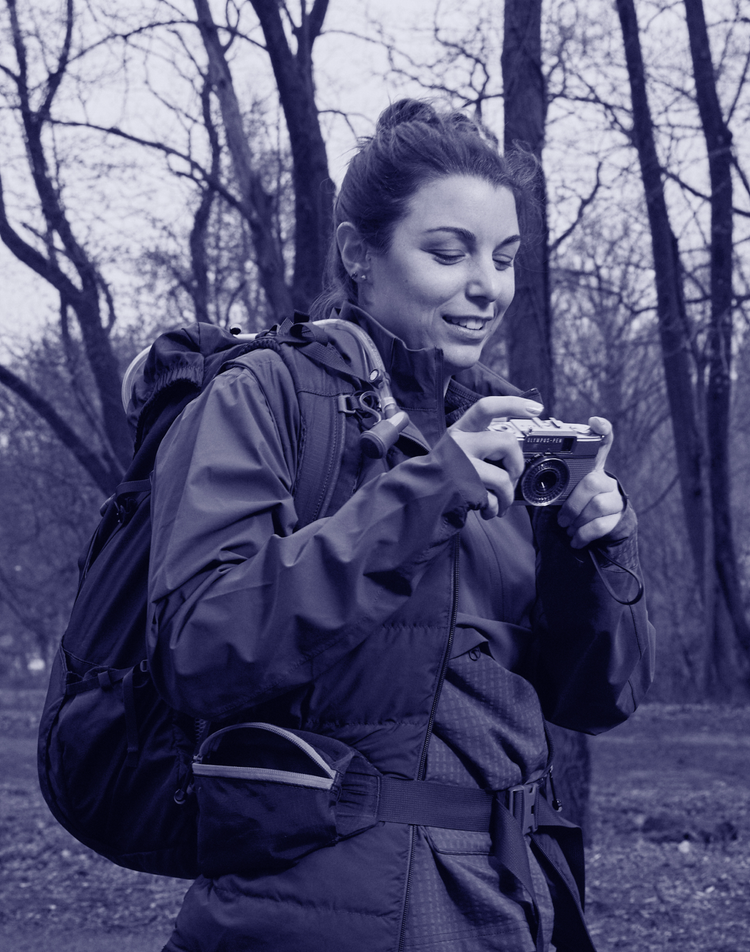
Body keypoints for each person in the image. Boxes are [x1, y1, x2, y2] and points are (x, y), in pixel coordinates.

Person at [147, 99, 655, 952]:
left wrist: (594, 553)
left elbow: (596, 699)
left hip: (510, 900)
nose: (486, 285)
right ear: (358, 253)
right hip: (327, 908)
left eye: (504, 257)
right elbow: (202, 645)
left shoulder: (506, 432)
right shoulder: (265, 396)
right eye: (447, 252)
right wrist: (434, 488)